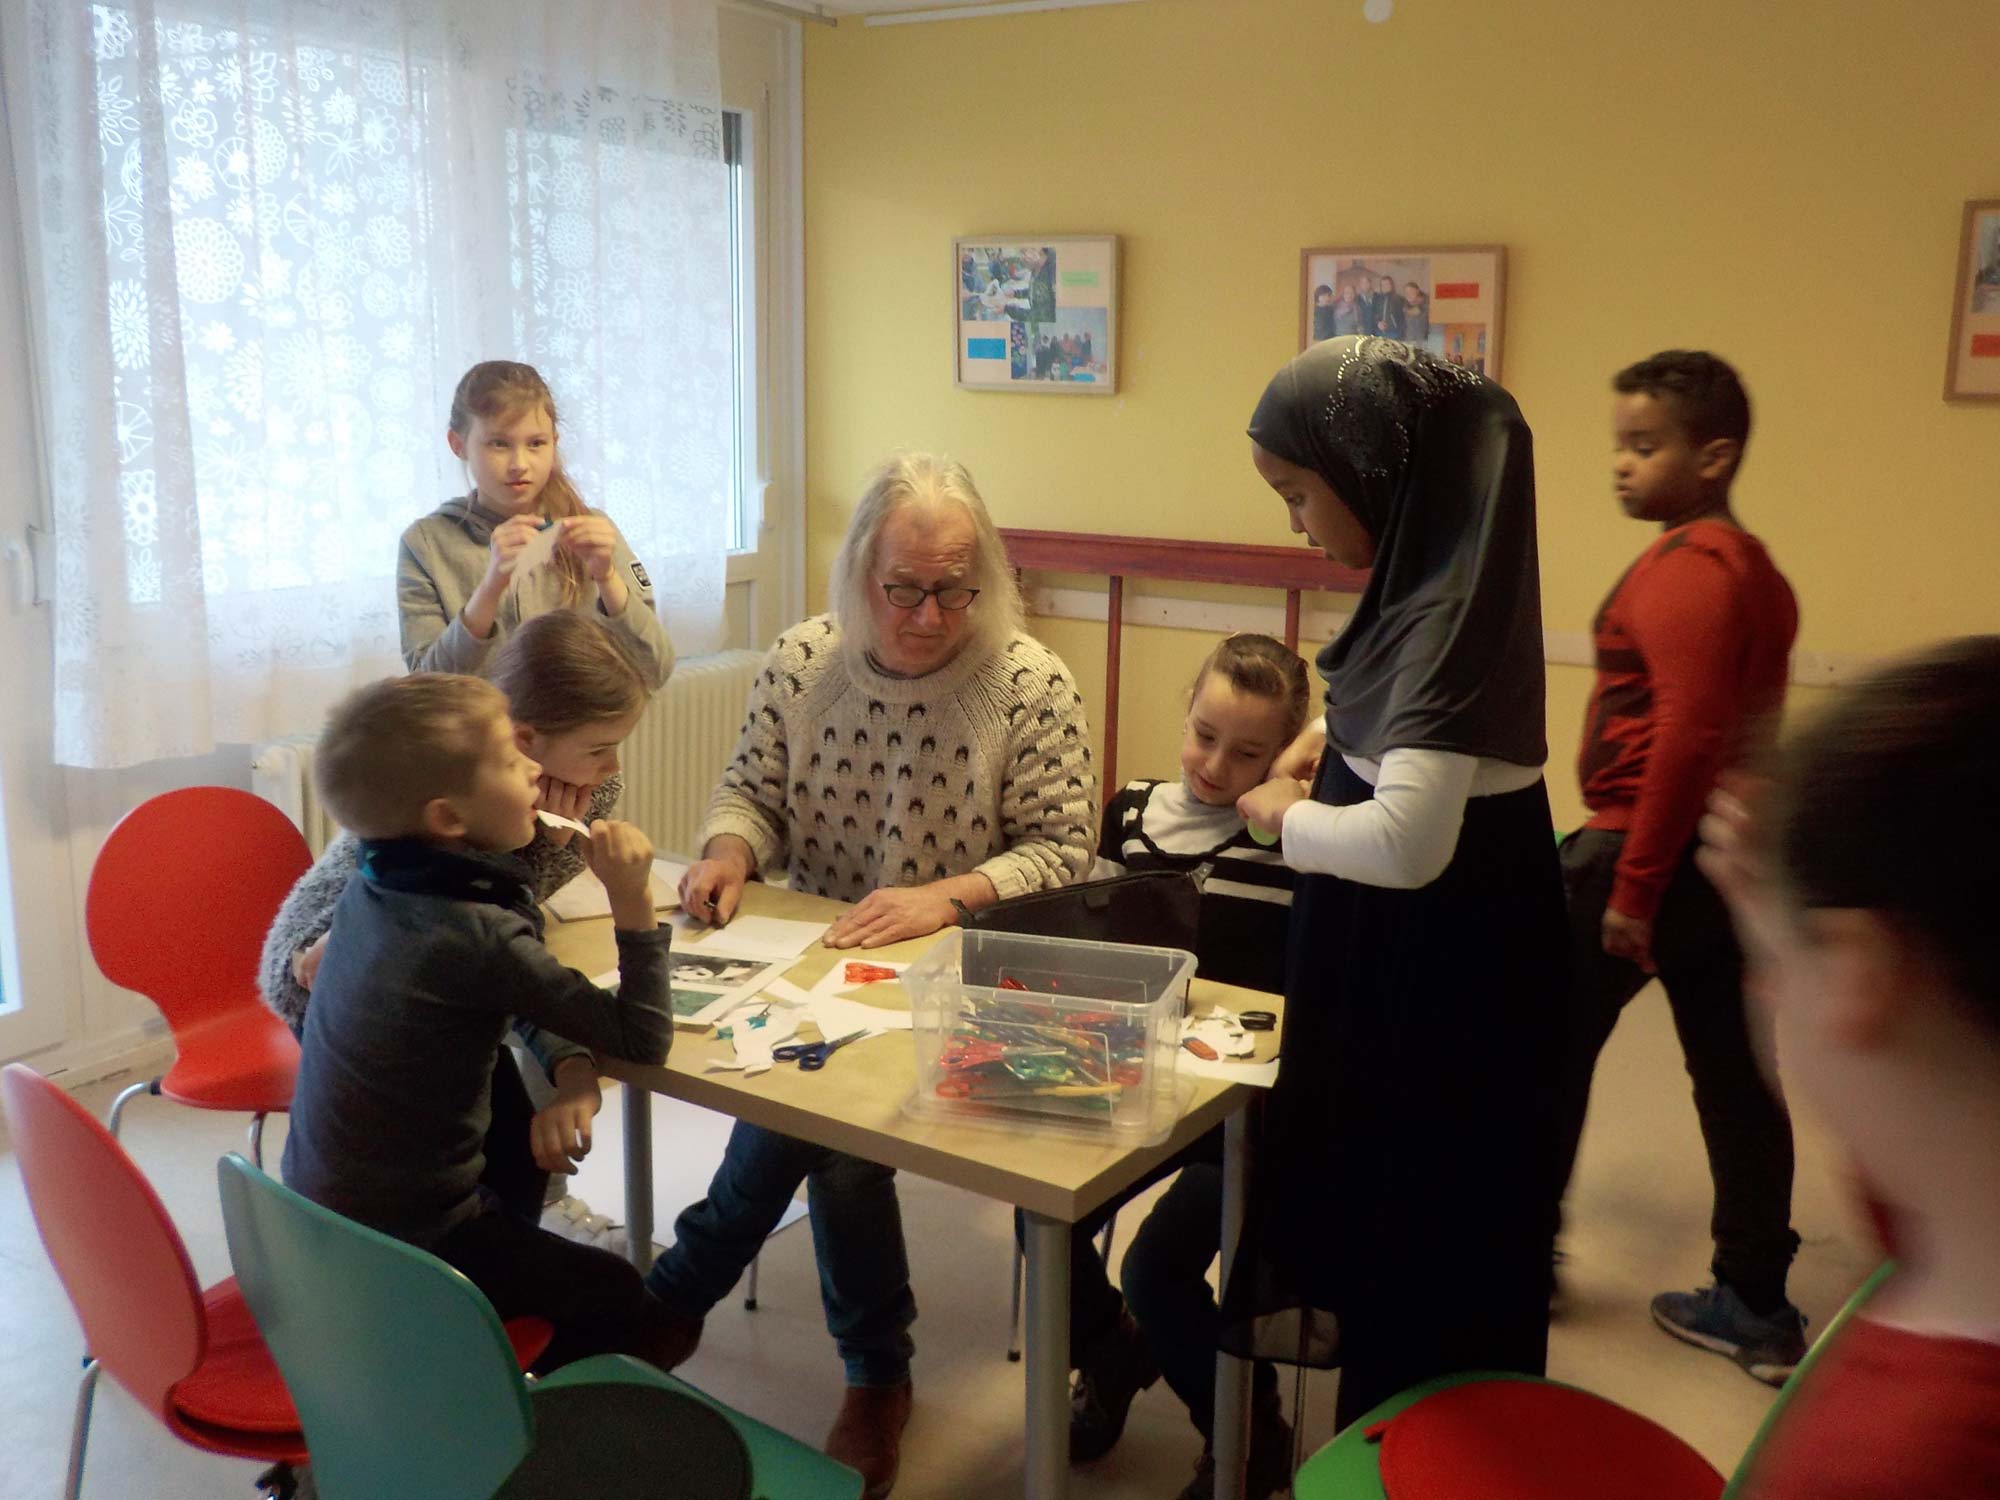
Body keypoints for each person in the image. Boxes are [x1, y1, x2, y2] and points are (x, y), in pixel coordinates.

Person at [650, 452, 1097, 1498]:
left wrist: (945, 896)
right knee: (811, 1105)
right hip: (823, 949)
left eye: (954, 588)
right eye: (904, 589)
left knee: (827, 1131)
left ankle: (709, 1310)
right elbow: (749, 789)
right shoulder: (804, 660)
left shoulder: (1027, 681)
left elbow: (1061, 848)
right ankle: (844, 1361)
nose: (930, 615)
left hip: (964, 972)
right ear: (860, 575)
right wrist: (725, 850)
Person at [1224, 336, 1566, 1430]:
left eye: (1296, 494)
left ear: (1376, 478)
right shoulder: (1444, 580)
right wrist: (1327, 735)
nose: (1291, 523)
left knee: (1416, 1241)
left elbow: (1409, 842)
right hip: (1420, 960)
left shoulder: (1435, 625)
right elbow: (1417, 737)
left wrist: (1289, 818)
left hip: (1436, 982)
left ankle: (1404, 1441)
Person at [280, 672, 680, 1374]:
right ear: (447, 819)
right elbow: (643, 1037)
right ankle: (523, 1420)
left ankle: (485, 1346)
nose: (533, 767)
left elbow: (510, 994)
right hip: (409, 1247)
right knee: (627, 1302)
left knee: (506, 1111)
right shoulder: (474, 931)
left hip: (322, 1220)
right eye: (508, 759)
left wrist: (572, 1072)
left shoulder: (373, 887)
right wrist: (631, 898)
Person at [1551, 351, 1806, 1382]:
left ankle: (1514, 1259)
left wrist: (1633, 889)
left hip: (1638, 849)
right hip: (1710, 856)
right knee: (1735, 1079)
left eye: (1642, 445)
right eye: (1618, 441)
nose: (1619, 464)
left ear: (1713, 455)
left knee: (1533, 1049)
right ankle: (1753, 1300)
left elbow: (1690, 736)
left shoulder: (1688, 570)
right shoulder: (1755, 569)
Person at [1699, 637, 2000, 1499]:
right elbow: (1897, 1162)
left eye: (1776, 964)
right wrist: (1786, 912)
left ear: (1861, 974)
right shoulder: (1954, 1216)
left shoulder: (1893, 1464)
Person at [259, 610, 653, 1237]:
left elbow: (504, 911)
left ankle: (503, 1236)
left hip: (433, 940)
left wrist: (573, 1065)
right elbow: (436, 903)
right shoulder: (453, 777)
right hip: (321, 958)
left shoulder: (570, 788)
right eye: (600, 750)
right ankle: (441, 1262)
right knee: (445, 1161)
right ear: (524, 741)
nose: (611, 770)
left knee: (508, 1144)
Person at [1065, 633, 1309, 1500]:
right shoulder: (1130, 812)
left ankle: (1248, 1429)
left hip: (1243, 1119)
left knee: (1156, 1269)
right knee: (1039, 1211)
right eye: (1204, 733)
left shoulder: (1299, 843)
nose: (1215, 763)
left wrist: (1291, 805)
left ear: (1288, 756)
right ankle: (1113, 1349)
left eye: (1248, 752)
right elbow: (1093, 948)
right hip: (1130, 1080)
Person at [398, 359, 673, 689]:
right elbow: (427, 690)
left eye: (536, 444)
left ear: (554, 442)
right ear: (459, 445)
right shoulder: (426, 544)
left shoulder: (592, 529)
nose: (519, 464)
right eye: (498, 443)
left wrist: (607, 577)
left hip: (580, 738)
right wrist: (490, 588)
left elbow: (656, 668)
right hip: (482, 740)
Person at [1374, 273, 1406, 340]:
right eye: (1383, 285)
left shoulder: (1399, 299)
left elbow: (1403, 318)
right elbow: (1375, 314)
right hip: (1379, 333)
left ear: (1392, 285)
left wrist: (1399, 330)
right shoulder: (1377, 299)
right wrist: (1378, 323)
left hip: (1394, 333)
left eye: (1387, 284)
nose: (1385, 287)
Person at [1400, 280, 1431, 346]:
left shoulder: (1428, 303)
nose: (1408, 294)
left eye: (1411, 291)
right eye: (1406, 292)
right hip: (1409, 341)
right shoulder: (1404, 306)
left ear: (1417, 291)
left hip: (1425, 341)